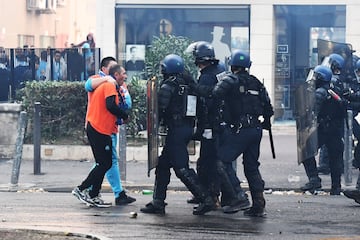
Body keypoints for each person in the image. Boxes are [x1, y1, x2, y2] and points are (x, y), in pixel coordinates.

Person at [140, 54, 216, 215]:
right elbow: (202, 107)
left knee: (182, 168)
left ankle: (206, 199)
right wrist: (200, 129)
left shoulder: (169, 85)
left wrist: (152, 124)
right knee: (163, 165)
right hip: (187, 129)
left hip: (176, 130)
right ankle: (158, 202)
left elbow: (159, 108)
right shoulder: (190, 85)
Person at [204, 50, 273, 217]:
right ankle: (258, 204)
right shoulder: (256, 82)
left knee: (222, 162)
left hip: (240, 129)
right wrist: (265, 123)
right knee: (251, 167)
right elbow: (268, 108)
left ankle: (238, 196)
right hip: (256, 130)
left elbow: (213, 94)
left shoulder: (230, 80)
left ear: (232, 65)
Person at [71, 62, 129, 208]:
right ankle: (82, 188)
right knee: (105, 163)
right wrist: (124, 115)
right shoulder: (109, 84)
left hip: (100, 129)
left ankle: (93, 194)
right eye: (123, 73)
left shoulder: (111, 85)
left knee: (102, 163)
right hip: (98, 129)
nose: (125, 76)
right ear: (115, 75)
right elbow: (110, 105)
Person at [83, 56, 136, 205]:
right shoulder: (100, 80)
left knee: (104, 161)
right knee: (107, 161)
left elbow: (127, 101)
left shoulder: (117, 84)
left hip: (110, 126)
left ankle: (91, 190)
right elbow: (88, 85)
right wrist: (107, 80)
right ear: (105, 69)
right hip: (99, 126)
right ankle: (110, 192)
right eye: (112, 68)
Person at [186, 41, 228, 207]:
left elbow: (204, 101)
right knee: (214, 160)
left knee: (207, 162)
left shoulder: (206, 76)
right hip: (222, 123)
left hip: (211, 124)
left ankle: (209, 196)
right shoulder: (221, 70)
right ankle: (213, 195)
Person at [300, 65, 345, 195]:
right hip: (335, 130)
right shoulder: (334, 89)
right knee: (335, 159)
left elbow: (313, 111)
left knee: (306, 152)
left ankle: (314, 180)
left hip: (322, 129)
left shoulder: (320, 92)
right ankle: (336, 187)